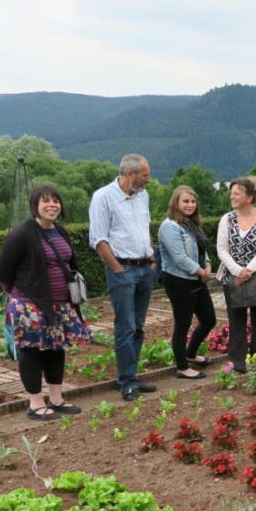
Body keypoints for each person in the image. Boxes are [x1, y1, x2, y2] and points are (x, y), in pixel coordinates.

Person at [0, 185, 92, 420]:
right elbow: (3, 269)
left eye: (56, 201)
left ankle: (57, 399)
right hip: (30, 306)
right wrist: (21, 294)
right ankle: (36, 403)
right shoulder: (22, 234)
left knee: (55, 350)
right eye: (45, 201)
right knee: (31, 352)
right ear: (35, 206)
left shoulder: (59, 231)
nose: (52, 205)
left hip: (60, 304)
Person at [88, 153, 157, 401]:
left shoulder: (142, 196)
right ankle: (126, 381)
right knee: (125, 327)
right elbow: (98, 239)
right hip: (124, 271)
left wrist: (151, 258)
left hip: (144, 269)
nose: (148, 180)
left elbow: (145, 227)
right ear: (130, 174)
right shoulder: (103, 197)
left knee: (138, 327)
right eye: (145, 175)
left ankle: (132, 376)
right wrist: (118, 270)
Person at [216, 176, 256, 372]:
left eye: (236, 193)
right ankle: (237, 364)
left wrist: (248, 270)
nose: (231, 196)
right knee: (236, 320)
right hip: (233, 277)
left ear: (249, 197)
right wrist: (238, 271)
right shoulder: (227, 219)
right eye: (231, 192)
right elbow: (221, 249)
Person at [157, 186, 216, 379]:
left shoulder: (191, 223)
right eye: (185, 201)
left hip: (197, 278)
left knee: (209, 319)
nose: (190, 205)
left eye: (192, 201)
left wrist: (207, 265)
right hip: (179, 281)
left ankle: (191, 353)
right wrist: (202, 273)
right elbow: (179, 258)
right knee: (182, 324)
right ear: (176, 203)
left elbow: (202, 249)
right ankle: (182, 367)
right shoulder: (169, 226)